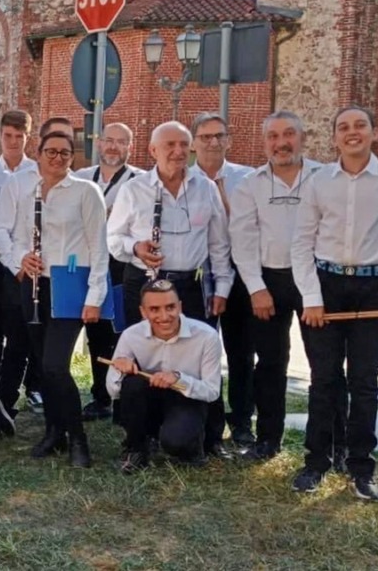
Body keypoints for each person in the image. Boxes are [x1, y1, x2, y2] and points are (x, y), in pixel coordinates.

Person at [106, 120, 232, 458]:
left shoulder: (205, 188)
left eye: (183, 145)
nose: (178, 152)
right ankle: (139, 434)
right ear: (152, 151)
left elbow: (219, 243)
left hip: (188, 285)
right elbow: (113, 238)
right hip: (144, 282)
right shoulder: (134, 190)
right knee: (140, 355)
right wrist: (136, 248)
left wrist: (222, 286)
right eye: (169, 146)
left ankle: (209, 436)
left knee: (198, 356)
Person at [289, 106, 378, 501]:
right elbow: (301, 243)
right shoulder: (318, 183)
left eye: (360, 126)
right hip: (326, 288)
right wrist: (311, 299)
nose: (352, 133)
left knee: (365, 383)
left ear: (374, 132)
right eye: (343, 128)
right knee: (324, 380)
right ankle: (316, 463)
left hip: (373, 287)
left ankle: (362, 468)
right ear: (333, 138)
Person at [0, 130, 107, 467]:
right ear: (39, 153)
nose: (57, 158)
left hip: (69, 286)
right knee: (44, 367)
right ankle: (54, 432)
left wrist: (95, 295)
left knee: (57, 365)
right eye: (51, 152)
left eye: (64, 152)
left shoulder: (86, 192)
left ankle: (78, 440)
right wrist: (19, 259)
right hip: (32, 285)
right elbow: (2, 231)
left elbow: (99, 246)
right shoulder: (19, 185)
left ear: (72, 157)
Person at [229, 111, 325, 462]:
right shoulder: (250, 185)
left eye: (288, 135)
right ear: (265, 141)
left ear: (302, 138)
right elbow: (243, 240)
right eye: (273, 136)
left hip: (316, 280)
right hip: (269, 280)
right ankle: (268, 440)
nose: (281, 143)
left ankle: (330, 444)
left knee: (325, 366)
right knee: (270, 364)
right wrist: (255, 287)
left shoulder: (324, 177)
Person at [190, 112, 256, 449]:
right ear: (193, 143)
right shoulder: (184, 180)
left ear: (229, 140)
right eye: (205, 137)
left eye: (219, 136)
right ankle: (207, 421)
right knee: (202, 348)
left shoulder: (249, 179)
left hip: (242, 273)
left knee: (241, 351)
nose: (213, 142)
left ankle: (242, 421)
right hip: (200, 276)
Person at [107, 278, 223, 473]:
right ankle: (136, 448)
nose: (164, 316)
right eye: (154, 309)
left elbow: (212, 391)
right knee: (132, 384)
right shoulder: (130, 336)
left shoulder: (206, 336)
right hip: (150, 399)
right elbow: (114, 391)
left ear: (180, 307)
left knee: (176, 443)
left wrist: (179, 379)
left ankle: (193, 445)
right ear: (143, 312)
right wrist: (121, 370)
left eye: (170, 307)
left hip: (187, 400)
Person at [73, 121, 142, 421]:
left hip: (122, 265)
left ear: (130, 147)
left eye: (121, 142)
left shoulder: (140, 182)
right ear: (99, 143)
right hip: (87, 261)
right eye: (109, 140)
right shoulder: (81, 178)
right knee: (96, 331)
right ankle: (101, 396)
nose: (114, 147)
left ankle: (127, 397)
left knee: (125, 332)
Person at [0, 111, 43, 417]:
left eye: (20, 136)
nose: (14, 141)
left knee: (26, 331)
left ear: (29, 137)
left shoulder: (37, 170)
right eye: (8, 136)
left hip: (29, 264)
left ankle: (26, 389)